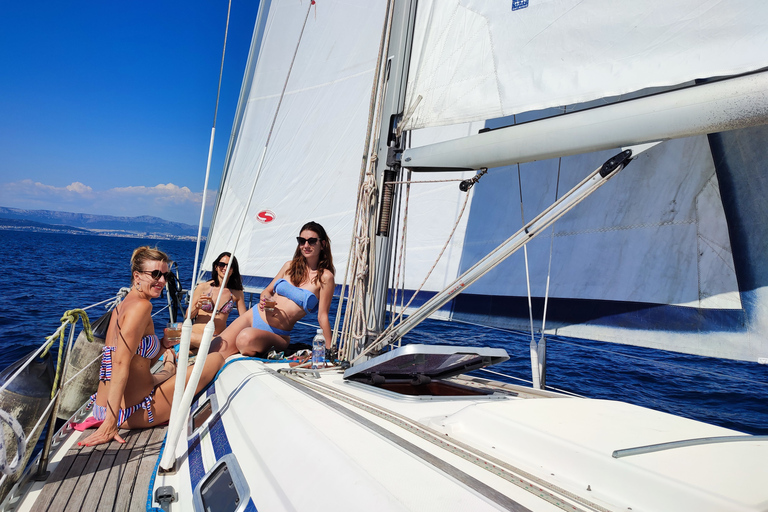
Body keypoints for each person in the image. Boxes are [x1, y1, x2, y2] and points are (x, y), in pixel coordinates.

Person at [81, 247, 225, 447]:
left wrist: (163, 345)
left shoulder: (121, 306)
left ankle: (168, 368)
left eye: (165, 275)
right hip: (130, 412)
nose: (163, 281)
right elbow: (120, 363)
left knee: (170, 371)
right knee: (216, 359)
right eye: (156, 274)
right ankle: (168, 370)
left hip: (102, 407)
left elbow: (134, 359)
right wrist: (110, 424)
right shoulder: (142, 307)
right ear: (136, 276)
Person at [213, 221, 335, 358]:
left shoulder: (325, 277)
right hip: (254, 315)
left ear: (323, 244)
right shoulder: (289, 266)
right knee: (214, 349)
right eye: (302, 241)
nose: (306, 245)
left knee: (245, 339)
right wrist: (266, 298)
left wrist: (329, 350)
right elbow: (266, 291)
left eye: (311, 241)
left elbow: (322, 316)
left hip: (278, 333)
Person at [187, 252, 247, 351]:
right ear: (216, 267)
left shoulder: (237, 293)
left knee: (221, 343)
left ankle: (192, 353)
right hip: (196, 337)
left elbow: (244, 318)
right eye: (222, 264)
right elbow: (187, 316)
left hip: (217, 338)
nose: (225, 268)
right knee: (194, 338)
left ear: (233, 269)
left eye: (230, 265)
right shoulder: (203, 287)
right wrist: (197, 306)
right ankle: (197, 351)